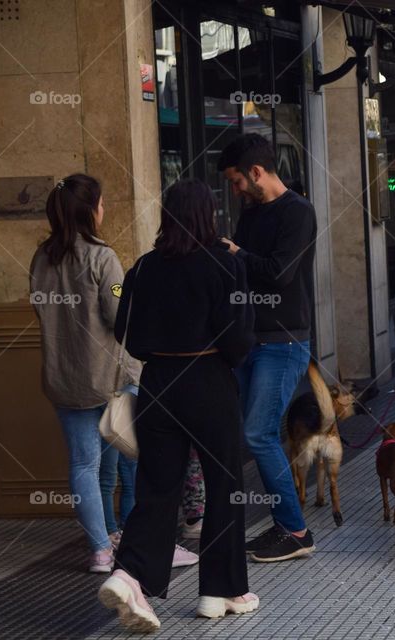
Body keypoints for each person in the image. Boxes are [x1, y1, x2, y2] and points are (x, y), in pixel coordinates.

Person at [97, 179, 257, 631]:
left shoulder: (144, 268)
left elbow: (124, 331)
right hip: (208, 380)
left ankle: (130, 575)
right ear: (209, 215)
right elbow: (240, 339)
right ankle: (219, 591)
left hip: (158, 383)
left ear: (167, 215)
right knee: (225, 484)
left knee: (156, 487)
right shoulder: (225, 265)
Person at [30, 173, 140, 574]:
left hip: (65, 380)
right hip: (111, 380)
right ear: (91, 210)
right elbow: (118, 316)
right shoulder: (102, 256)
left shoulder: (41, 258)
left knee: (85, 466)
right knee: (130, 459)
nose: (104, 208)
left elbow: (40, 309)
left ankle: (100, 549)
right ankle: (132, 538)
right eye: (102, 202)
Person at [217, 133, 317, 562]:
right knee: (253, 432)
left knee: (258, 433)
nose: (235, 190)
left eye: (238, 181)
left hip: (283, 340)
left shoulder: (298, 212)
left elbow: (279, 273)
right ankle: (283, 525)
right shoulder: (251, 212)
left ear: (257, 173)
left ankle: (296, 531)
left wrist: (236, 253)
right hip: (249, 338)